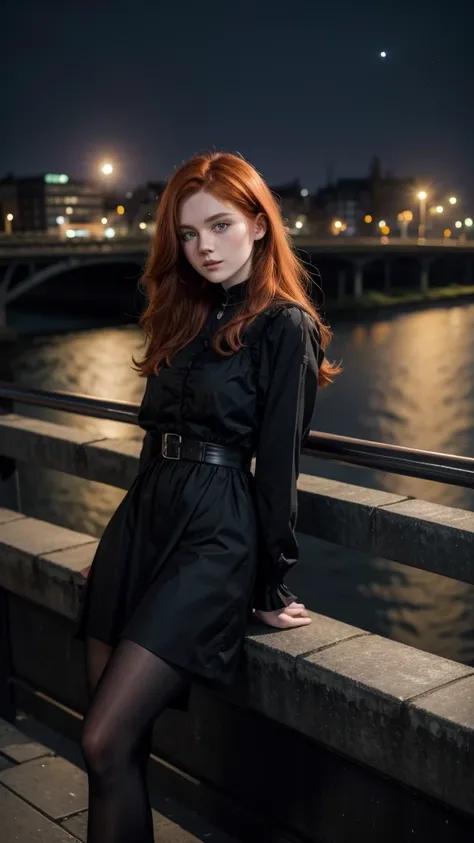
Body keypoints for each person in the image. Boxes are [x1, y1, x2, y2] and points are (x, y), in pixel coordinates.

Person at [74, 150, 340, 842]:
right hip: (142, 520)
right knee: (109, 748)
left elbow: (278, 465)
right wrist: (117, 546)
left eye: (219, 226)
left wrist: (270, 580)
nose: (203, 248)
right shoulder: (185, 311)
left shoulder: (286, 326)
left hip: (212, 536)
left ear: (258, 222)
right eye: (188, 235)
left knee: (106, 738)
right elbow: (155, 436)